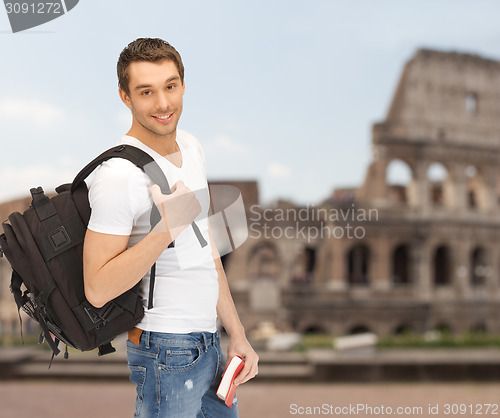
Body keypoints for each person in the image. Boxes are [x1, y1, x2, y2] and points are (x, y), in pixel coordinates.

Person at [82, 37, 258, 417]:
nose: (163, 103)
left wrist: (236, 331)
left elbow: (205, 250)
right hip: (164, 348)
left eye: (170, 86)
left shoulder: (192, 147)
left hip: (209, 342)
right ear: (125, 97)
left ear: (183, 85)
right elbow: (96, 288)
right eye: (146, 91)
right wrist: (166, 229)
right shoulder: (117, 177)